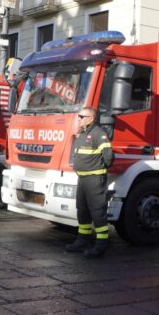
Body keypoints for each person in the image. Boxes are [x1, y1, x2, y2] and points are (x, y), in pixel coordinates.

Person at [65, 106, 114, 258]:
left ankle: (101, 244)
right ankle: (82, 240)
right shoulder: (82, 134)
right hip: (83, 179)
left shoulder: (99, 134)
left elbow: (109, 157)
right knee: (82, 210)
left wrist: (97, 169)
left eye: (81, 116)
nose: (78, 119)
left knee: (97, 212)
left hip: (94, 179)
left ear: (91, 119)